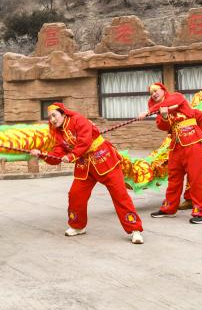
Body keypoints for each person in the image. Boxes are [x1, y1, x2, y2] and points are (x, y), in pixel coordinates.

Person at [31, 103, 143, 244]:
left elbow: (84, 142)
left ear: (63, 113)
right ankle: (78, 226)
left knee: (120, 195)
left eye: (54, 115)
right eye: (50, 117)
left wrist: (71, 156)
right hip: (84, 165)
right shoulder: (58, 133)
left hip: (104, 159)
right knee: (75, 194)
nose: (52, 119)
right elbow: (57, 154)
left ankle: (135, 230)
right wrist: (42, 154)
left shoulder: (78, 120)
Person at [146, 82, 202, 224]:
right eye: (151, 93)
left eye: (156, 90)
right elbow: (162, 126)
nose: (154, 94)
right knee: (174, 177)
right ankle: (169, 208)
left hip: (192, 141)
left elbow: (201, 117)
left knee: (196, 177)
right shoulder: (160, 110)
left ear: (164, 90)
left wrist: (148, 111)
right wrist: (163, 116)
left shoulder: (176, 97)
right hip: (176, 144)